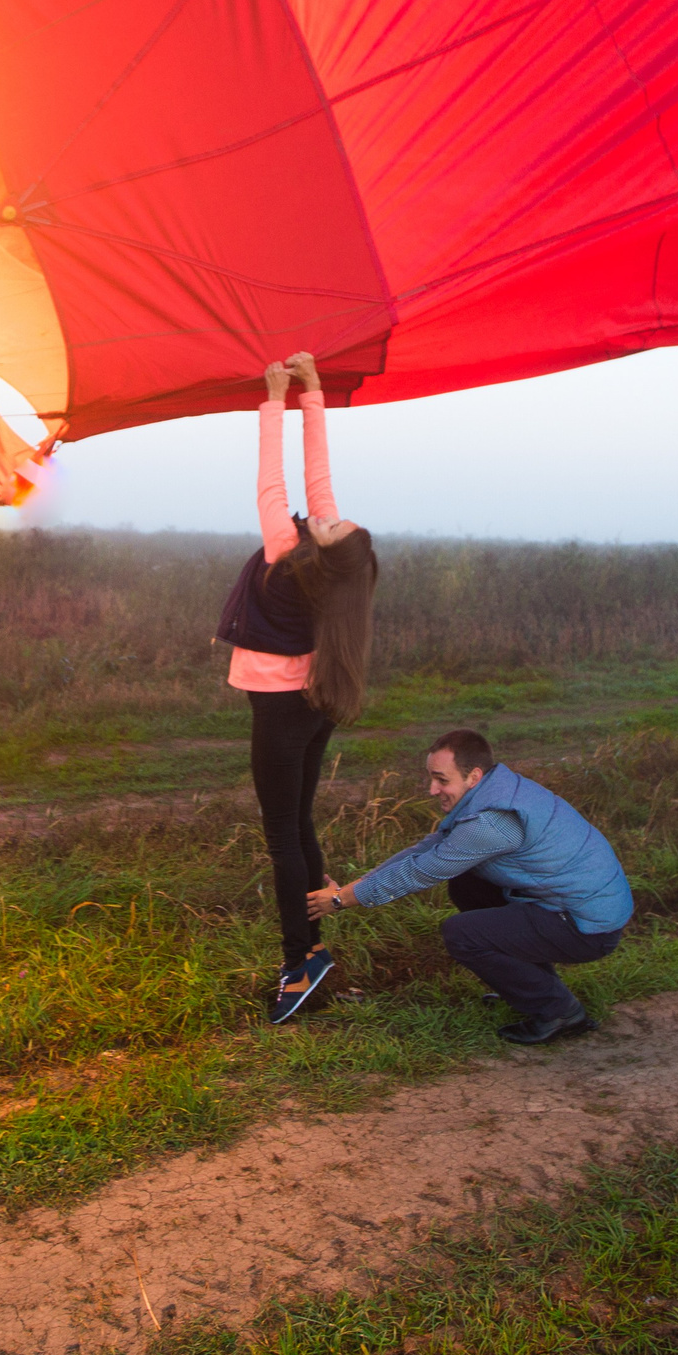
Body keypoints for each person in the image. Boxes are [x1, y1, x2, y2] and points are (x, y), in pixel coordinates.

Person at [214, 351, 377, 1023]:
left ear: (326, 544)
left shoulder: (288, 549)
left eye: (336, 524)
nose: (332, 515)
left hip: (280, 708)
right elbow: (320, 476)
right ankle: (315, 945)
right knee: (298, 821)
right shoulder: (335, 568)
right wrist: (312, 392)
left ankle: (297, 962)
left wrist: (273, 399)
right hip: (315, 704)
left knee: (282, 832)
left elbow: (271, 484)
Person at [306, 729, 630, 1044]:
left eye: (441, 780)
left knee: (462, 934)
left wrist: (340, 901)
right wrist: (349, 887)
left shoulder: (492, 821)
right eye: (431, 778)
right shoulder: (496, 791)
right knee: (467, 883)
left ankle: (559, 1012)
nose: (432, 789)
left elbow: (422, 870)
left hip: (588, 927)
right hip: (568, 906)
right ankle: (535, 987)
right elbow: (426, 848)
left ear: (473, 776)